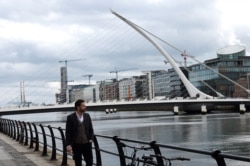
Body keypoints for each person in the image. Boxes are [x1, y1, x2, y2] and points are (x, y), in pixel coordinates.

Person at [66, 99, 94, 166]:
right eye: (83, 106)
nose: (85, 107)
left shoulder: (87, 116)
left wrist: (90, 139)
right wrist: (68, 145)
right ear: (78, 107)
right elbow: (68, 132)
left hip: (87, 143)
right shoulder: (70, 117)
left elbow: (91, 129)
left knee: (90, 162)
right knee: (78, 163)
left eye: (85, 106)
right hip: (76, 144)